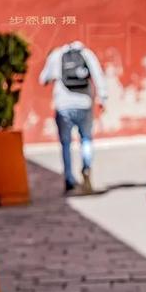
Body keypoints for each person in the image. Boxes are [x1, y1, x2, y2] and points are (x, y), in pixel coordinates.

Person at [39, 40, 107, 194]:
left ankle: (69, 180)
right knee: (86, 139)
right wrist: (103, 97)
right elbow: (98, 75)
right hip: (84, 104)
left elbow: (43, 79)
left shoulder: (56, 55)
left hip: (63, 106)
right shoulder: (86, 53)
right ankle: (86, 167)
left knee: (65, 144)